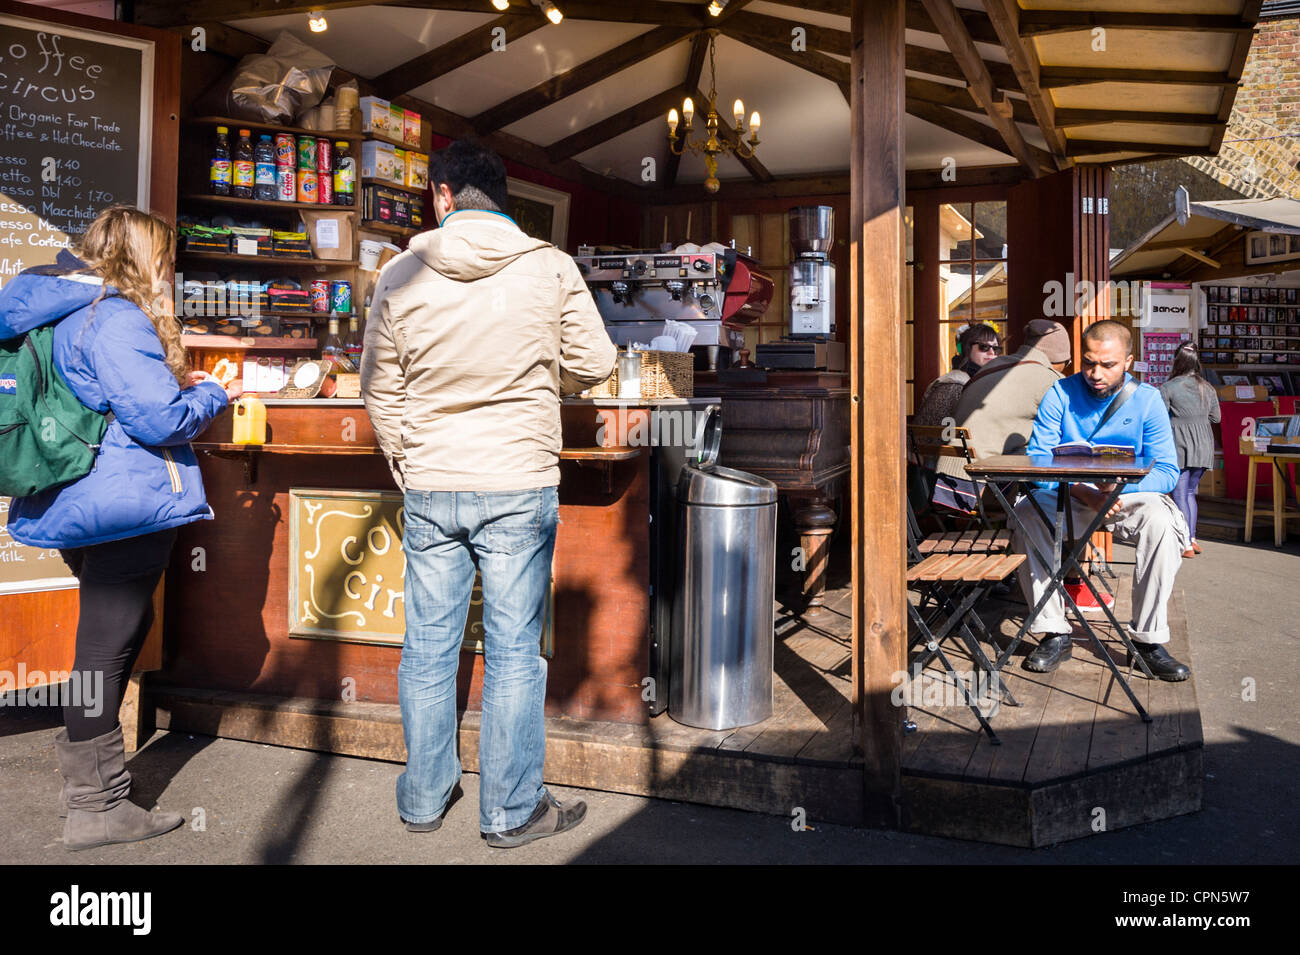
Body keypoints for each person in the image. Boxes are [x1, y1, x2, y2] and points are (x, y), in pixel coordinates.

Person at [361, 140, 616, 848]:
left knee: (428, 647)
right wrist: (540, 367)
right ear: (500, 199)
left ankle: (424, 794)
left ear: (442, 196)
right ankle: (508, 810)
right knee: (512, 652)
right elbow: (597, 362)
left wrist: (409, 464)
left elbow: (376, 387)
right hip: (516, 482)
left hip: (434, 482)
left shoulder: (400, 272)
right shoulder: (550, 268)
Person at [0, 206, 239, 850]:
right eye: (162, 256)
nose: (169, 268)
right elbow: (159, 420)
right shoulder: (115, 318)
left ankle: (93, 788)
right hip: (122, 504)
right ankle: (96, 806)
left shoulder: (65, 310)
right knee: (103, 649)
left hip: (81, 499)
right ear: (138, 257)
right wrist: (212, 393)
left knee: (115, 636)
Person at [1012, 319, 1192, 681]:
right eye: (1089, 362)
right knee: (1026, 514)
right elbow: (1036, 461)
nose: (1095, 373)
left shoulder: (1148, 399)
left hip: (1126, 495)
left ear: (1128, 361)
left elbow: (1168, 471)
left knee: (1163, 522)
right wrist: (1085, 492)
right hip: (1072, 493)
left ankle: (1147, 639)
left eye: (1107, 365)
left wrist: (1118, 490)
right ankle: (1054, 631)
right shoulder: (1059, 393)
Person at [933, 318, 1071, 514]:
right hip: (982, 488)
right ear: (1058, 359)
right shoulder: (1051, 379)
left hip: (947, 480)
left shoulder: (995, 364)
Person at [1160, 343, 1220, 557]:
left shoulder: (1168, 387)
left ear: (1177, 361)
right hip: (1204, 445)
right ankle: (1192, 538)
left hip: (1179, 445)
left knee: (1179, 494)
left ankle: (1184, 543)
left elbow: (1159, 419)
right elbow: (1216, 418)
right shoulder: (1208, 387)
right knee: (1189, 493)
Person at [913, 323, 1002, 430]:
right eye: (984, 347)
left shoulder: (983, 381)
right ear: (967, 349)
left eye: (996, 348)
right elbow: (930, 437)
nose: (991, 352)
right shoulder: (954, 385)